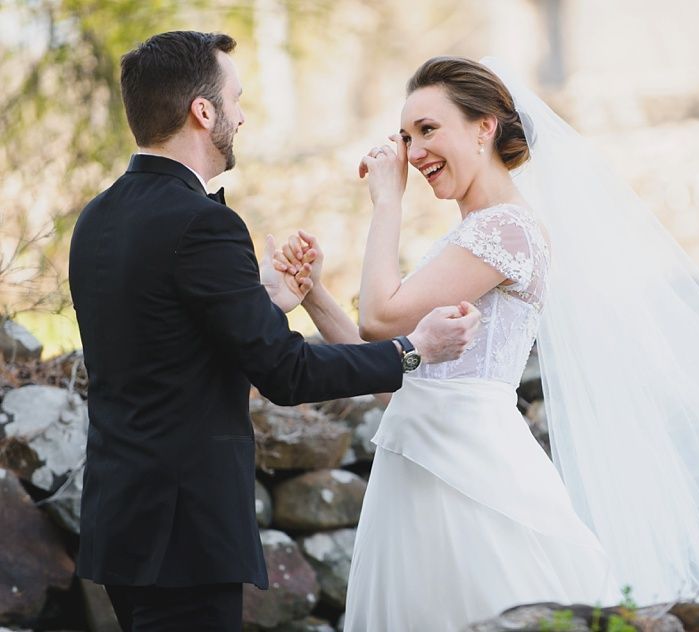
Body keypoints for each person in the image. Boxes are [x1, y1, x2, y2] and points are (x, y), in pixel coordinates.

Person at [276, 57, 699, 629]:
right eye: (405, 136)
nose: (412, 153)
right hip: (415, 464)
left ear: (484, 126)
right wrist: (315, 292)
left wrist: (387, 202)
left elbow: (380, 318)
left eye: (427, 130)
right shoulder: (464, 238)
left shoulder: (506, 230)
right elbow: (395, 370)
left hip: (473, 472)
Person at [68, 32, 479, 632]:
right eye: (235, 99)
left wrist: (269, 302)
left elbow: (163, 339)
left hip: (120, 525)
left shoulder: (96, 218)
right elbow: (287, 373)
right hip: (185, 537)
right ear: (202, 112)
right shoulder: (204, 225)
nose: (242, 113)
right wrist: (414, 349)